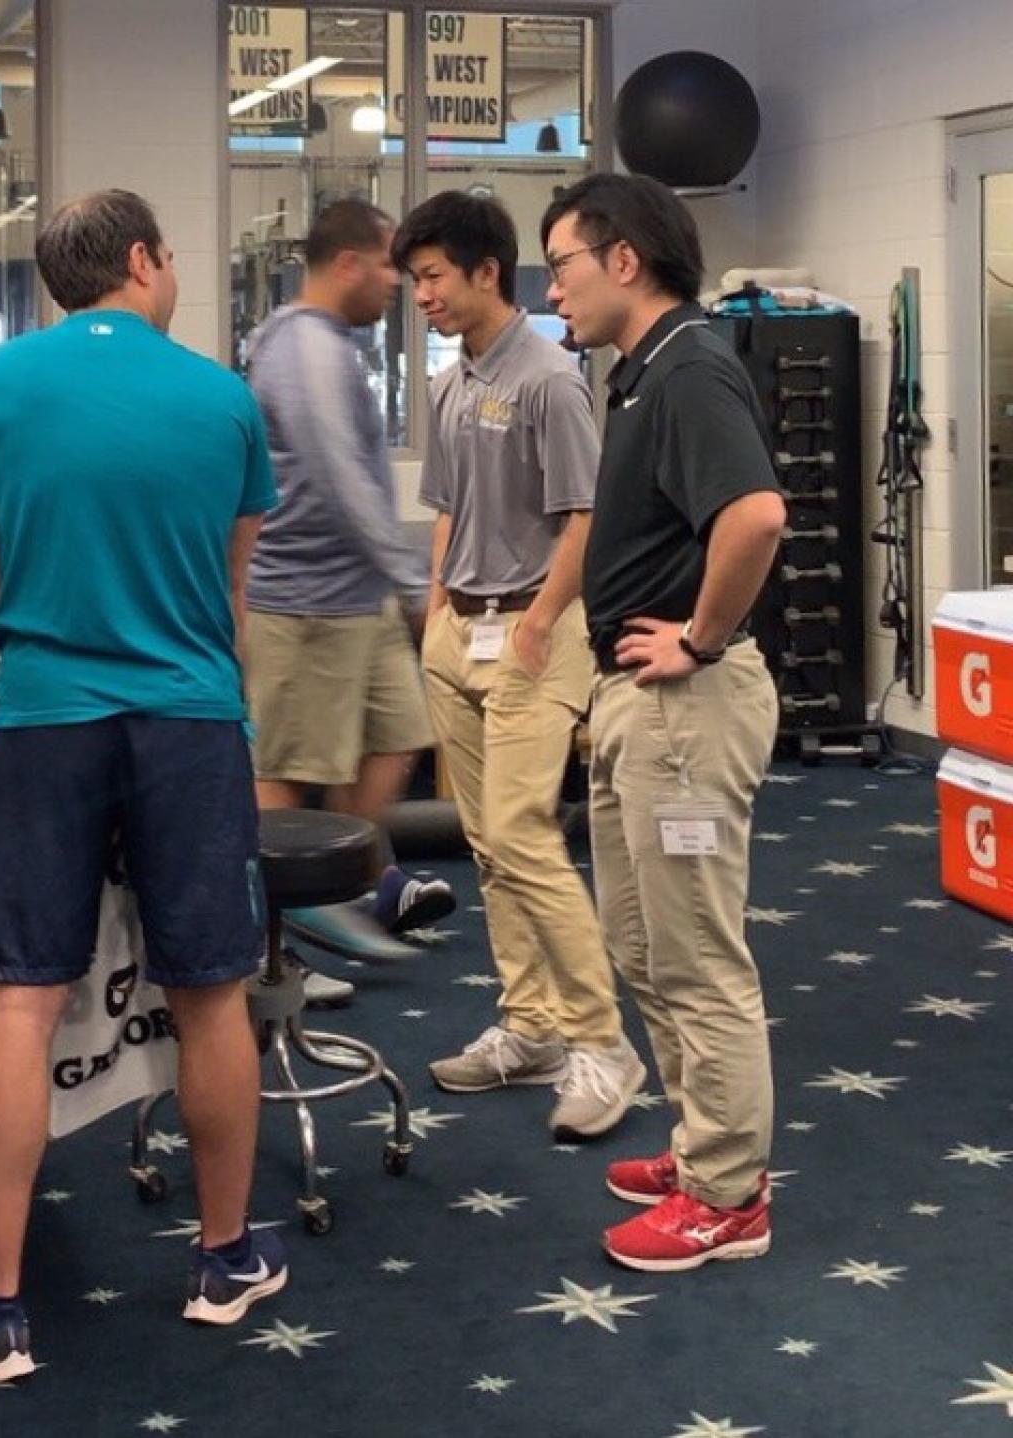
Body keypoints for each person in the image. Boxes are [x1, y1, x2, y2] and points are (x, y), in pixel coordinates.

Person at [0, 190, 287, 1382]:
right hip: (190, 718)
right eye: (170, 255)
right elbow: (232, 595)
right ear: (142, 260)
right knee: (211, 995)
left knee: (19, 1000)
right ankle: (226, 1258)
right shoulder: (225, 398)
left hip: (43, 717)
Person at [541, 172, 785, 1270]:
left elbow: (757, 515)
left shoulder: (688, 366)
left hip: (687, 703)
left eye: (562, 264)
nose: (556, 287)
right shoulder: (641, 375)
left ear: (624, 259)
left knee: (695, 956)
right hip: (640, 702)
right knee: (643, 948)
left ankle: (729, 1194)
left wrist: (700, 637)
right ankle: (704, 1150)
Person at [393, 190, 645, 1141]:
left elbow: (585, 514)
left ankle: (601, 1041)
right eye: (414, 281)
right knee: (491, 844)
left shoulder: (550, 378)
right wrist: (435, 609)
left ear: (485, 272)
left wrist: (542, 618)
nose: (420, 296)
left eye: (431, 278)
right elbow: (449, 504)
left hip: (538, 629)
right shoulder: (453, 380)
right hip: (460, 631)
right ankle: (532, 1024)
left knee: (527, 835)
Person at [242, 198, 454, 971]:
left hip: (356, 597)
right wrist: (412, 581)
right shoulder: (304, 350)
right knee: (286, 775)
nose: (401, 283)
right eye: (392, 265)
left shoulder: (332, 345)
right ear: (350, 264)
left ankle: (342, 894)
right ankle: (273, 938)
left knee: (399, 738)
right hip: (301, 604)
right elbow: (337, 476)